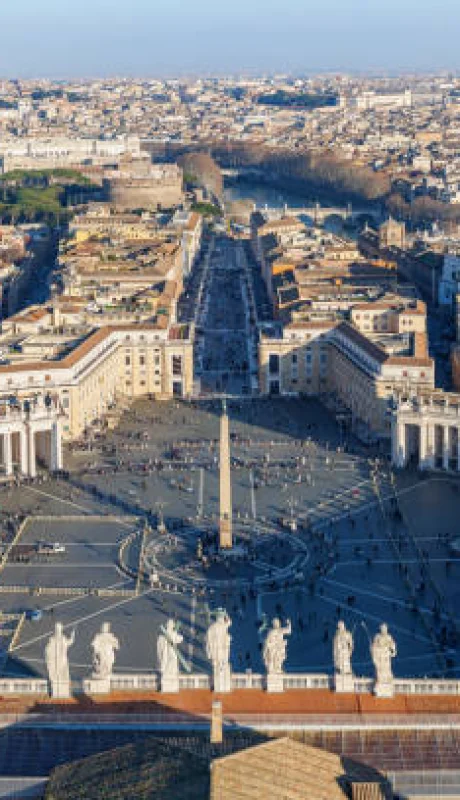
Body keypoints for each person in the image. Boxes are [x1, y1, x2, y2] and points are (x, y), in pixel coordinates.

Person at [45, 622, 75, 697]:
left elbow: (68, 643)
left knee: (63, 672)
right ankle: (57, 687)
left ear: (61, 629)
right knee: (57, 672)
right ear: (55, 629)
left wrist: (72, 636)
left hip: (62, 658)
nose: (58, 630)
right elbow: (48, 649)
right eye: (57, 629)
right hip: (56, 659)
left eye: (59, 628)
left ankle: (62, 687)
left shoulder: (63, 638)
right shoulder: (52, 638)